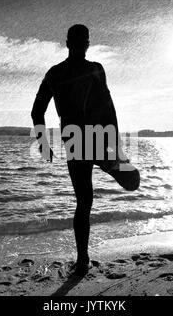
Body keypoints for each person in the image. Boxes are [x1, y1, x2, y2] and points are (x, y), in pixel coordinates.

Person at [31, 24, 139, 276]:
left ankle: (82, 260)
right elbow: (109, 108)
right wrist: (117, 149)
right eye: (84, 42)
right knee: (129, 182)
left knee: (84, 202)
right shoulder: (95, 69)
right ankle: (112, 164)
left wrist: (43, 143)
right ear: (86, 44)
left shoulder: (54, 74)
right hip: (98, 137)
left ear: (67, 43)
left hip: (75, 141)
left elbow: (37, 111)